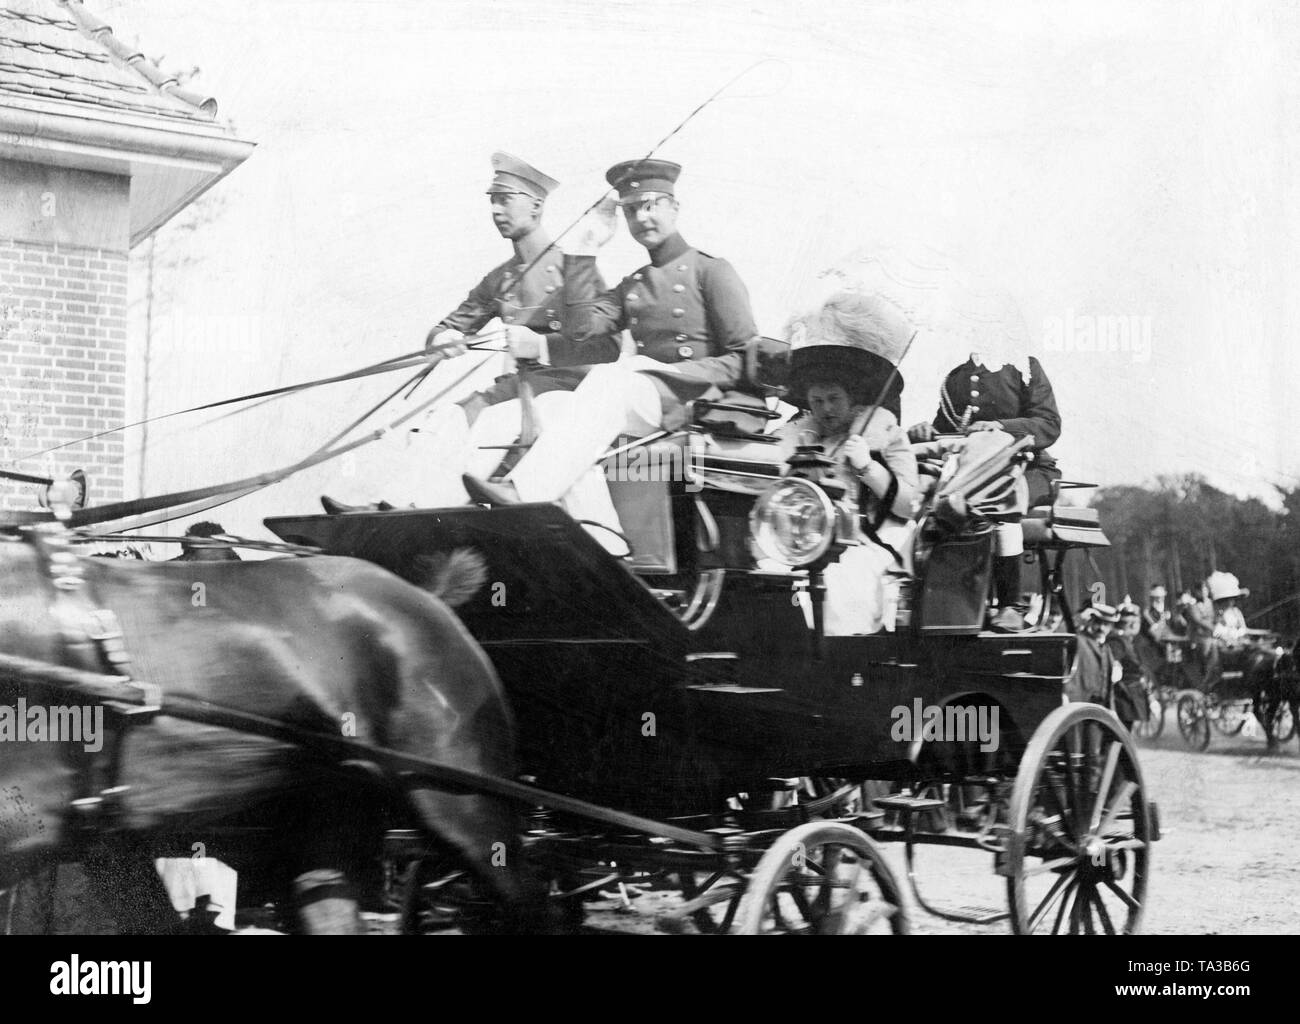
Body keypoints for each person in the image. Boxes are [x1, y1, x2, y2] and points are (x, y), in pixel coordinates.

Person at [320, 152, 617, 512]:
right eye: (492, 201)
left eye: (505, 199)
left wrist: (540, 346)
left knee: (485, 418)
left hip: (566, 391)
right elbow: (448, 326)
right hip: (516, 390)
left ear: (536, 207)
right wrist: (442, 340)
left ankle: (423, 511)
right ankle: (392, 508)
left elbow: (606, 345)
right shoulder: (499, 279)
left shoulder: (573, 271)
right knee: (447, 418)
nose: (495, 210)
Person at [461, 158, 758, 510]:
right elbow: (580, 330)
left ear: (674, 208)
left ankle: (523, 495)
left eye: (651, 205)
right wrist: (586, 251)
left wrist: (671, 372)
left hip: (695, 396)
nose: (642, 218)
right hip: (646, 397)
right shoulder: (632, 285)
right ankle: (597, 535)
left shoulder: (711, 271)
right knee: (548, 409)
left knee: (610, 380)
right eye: (631, 210)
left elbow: (743, 357)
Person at [771, 292, 919, 634]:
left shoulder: (884, 432)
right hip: (798, 541)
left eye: (834, 399)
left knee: (837, 585)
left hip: (863, 541)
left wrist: (868, 466)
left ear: (852, 398)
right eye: (817, 400)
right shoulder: (797, 435)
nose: (826, 409)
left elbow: (909, 505)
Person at [908, 343, 1062, 632]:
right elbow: (951, 431)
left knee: (998, 496)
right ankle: (945, 605)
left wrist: (1000, 426)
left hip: (1031, 468)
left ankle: (1010, 605)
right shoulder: (957, 377)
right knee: (931, 499)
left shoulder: (1024, 366)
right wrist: (925, 432)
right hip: (975, 473)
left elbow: (1049, 424)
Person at [1108, 602, 1149, 730]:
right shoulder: (1118, 641)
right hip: (1123, 696)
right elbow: (1113, 670)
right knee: (1122, 734)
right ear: (1132, 624)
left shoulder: (1125, 640)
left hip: (1131, 694)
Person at [1066, 603, 1118, 706]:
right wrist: (1078, 619)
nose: (1101, 628)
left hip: (1099, 709)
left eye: (1106, 624)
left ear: (1111, 627)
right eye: (1098, 623)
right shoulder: (1079, 641)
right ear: (1090, 621)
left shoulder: (1106, 648)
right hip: (1078, 704)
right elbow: (1061, 635)